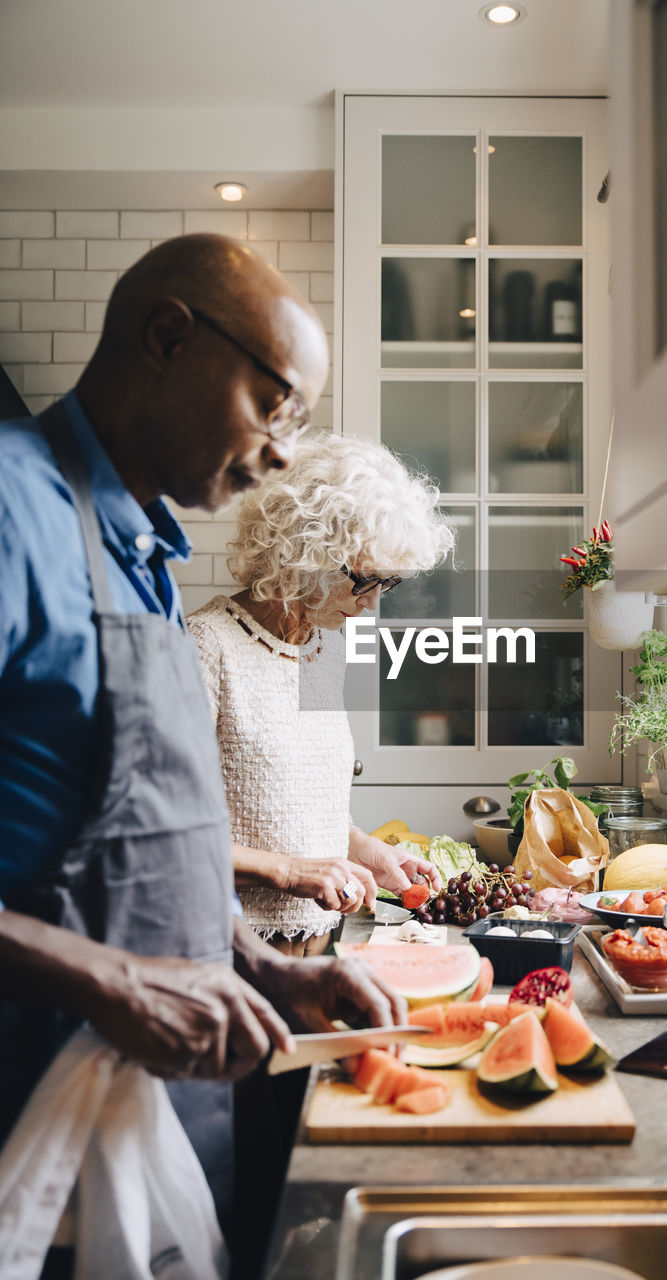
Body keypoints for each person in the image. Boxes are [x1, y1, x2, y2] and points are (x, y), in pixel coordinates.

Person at [0, 234, 408, 1261]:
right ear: (168, 335)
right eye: (276, 403)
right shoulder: (12, 511)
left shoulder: (143, 560)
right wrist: (118, 982)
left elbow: (152, 845)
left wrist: (265, 966)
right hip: (29, 1102)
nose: (280, 449)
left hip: (161, 1097)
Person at [187, 432, 452, 955]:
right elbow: (164, 838)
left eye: (387, 585)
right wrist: (285, 872)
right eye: (363, 581)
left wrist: (365, 848)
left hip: (322, 944)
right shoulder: (206, 647)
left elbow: (294, 808)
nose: (373, 605)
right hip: (232, 956)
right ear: (304, 552)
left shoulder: (322, 649)